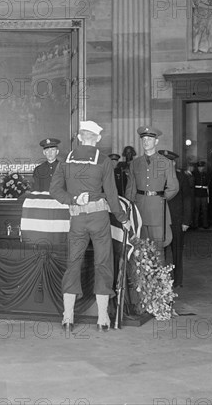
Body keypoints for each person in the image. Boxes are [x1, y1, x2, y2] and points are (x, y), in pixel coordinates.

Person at [49, 120, 130, 332]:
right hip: (99, 218)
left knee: (73, 263)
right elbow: (112, 196)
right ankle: (102, 318)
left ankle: (68, 317)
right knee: (103, 262)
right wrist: (123, 218)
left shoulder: (64, 160)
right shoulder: (103, 161)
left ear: (79, 136)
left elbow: (55, 191)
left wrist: (74, 199)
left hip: (77, 219)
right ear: (98, 139)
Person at [125, 126, 179, 252]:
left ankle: (158, 272)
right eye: (143, 139)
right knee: (140, 249)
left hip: (157, 211)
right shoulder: (135, 163)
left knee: (158, 249)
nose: (146, 142)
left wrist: (161, 198)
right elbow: (131, 188)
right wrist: (130, 206)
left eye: (149, 139)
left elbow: (173, 186)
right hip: (139, 210)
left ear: (156, 142)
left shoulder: (165, 162)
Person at [159, 150, 192, 288]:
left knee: (177, 250)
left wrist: (186, 220)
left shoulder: (181, 177)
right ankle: (161, 280)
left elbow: (187, 199)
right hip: (160, 219)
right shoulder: (157, 176)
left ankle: (177, 281)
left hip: (177, 219)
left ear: (173, 163)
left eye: (169, 162)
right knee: (160, 251)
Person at [193, 161, 210, 229]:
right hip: (197, 194)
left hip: (204, 194)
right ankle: (195, 224)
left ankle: (205, 224)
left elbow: (208, 183)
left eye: (202, 167)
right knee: (196, 210)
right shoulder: (194, 174)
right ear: (197, 167)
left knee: (205, 210)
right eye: (199, 167)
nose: (201, 168)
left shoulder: (206, 174)